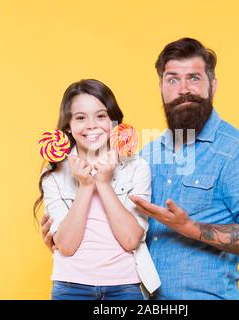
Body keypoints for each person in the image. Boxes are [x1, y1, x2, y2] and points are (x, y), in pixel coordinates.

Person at [41, 38, 239, 300]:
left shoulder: (236, 152)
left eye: (194, 78)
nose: (184, 89)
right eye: (173, 79)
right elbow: (124, 228)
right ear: (161, 87)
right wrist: (66, 238)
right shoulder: (146, 155)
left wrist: (189, 227)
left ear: (213, 85)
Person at [34, 79, 160, 300]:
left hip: (125, 287)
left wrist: (102, 183)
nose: (91, 125)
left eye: (101, 116)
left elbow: (131, 239)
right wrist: (85, 186)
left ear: (114, 123)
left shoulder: (137, 167)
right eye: (80, 117)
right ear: (69, 127)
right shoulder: (53, 175)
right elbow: (66, 245)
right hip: (70, 287)